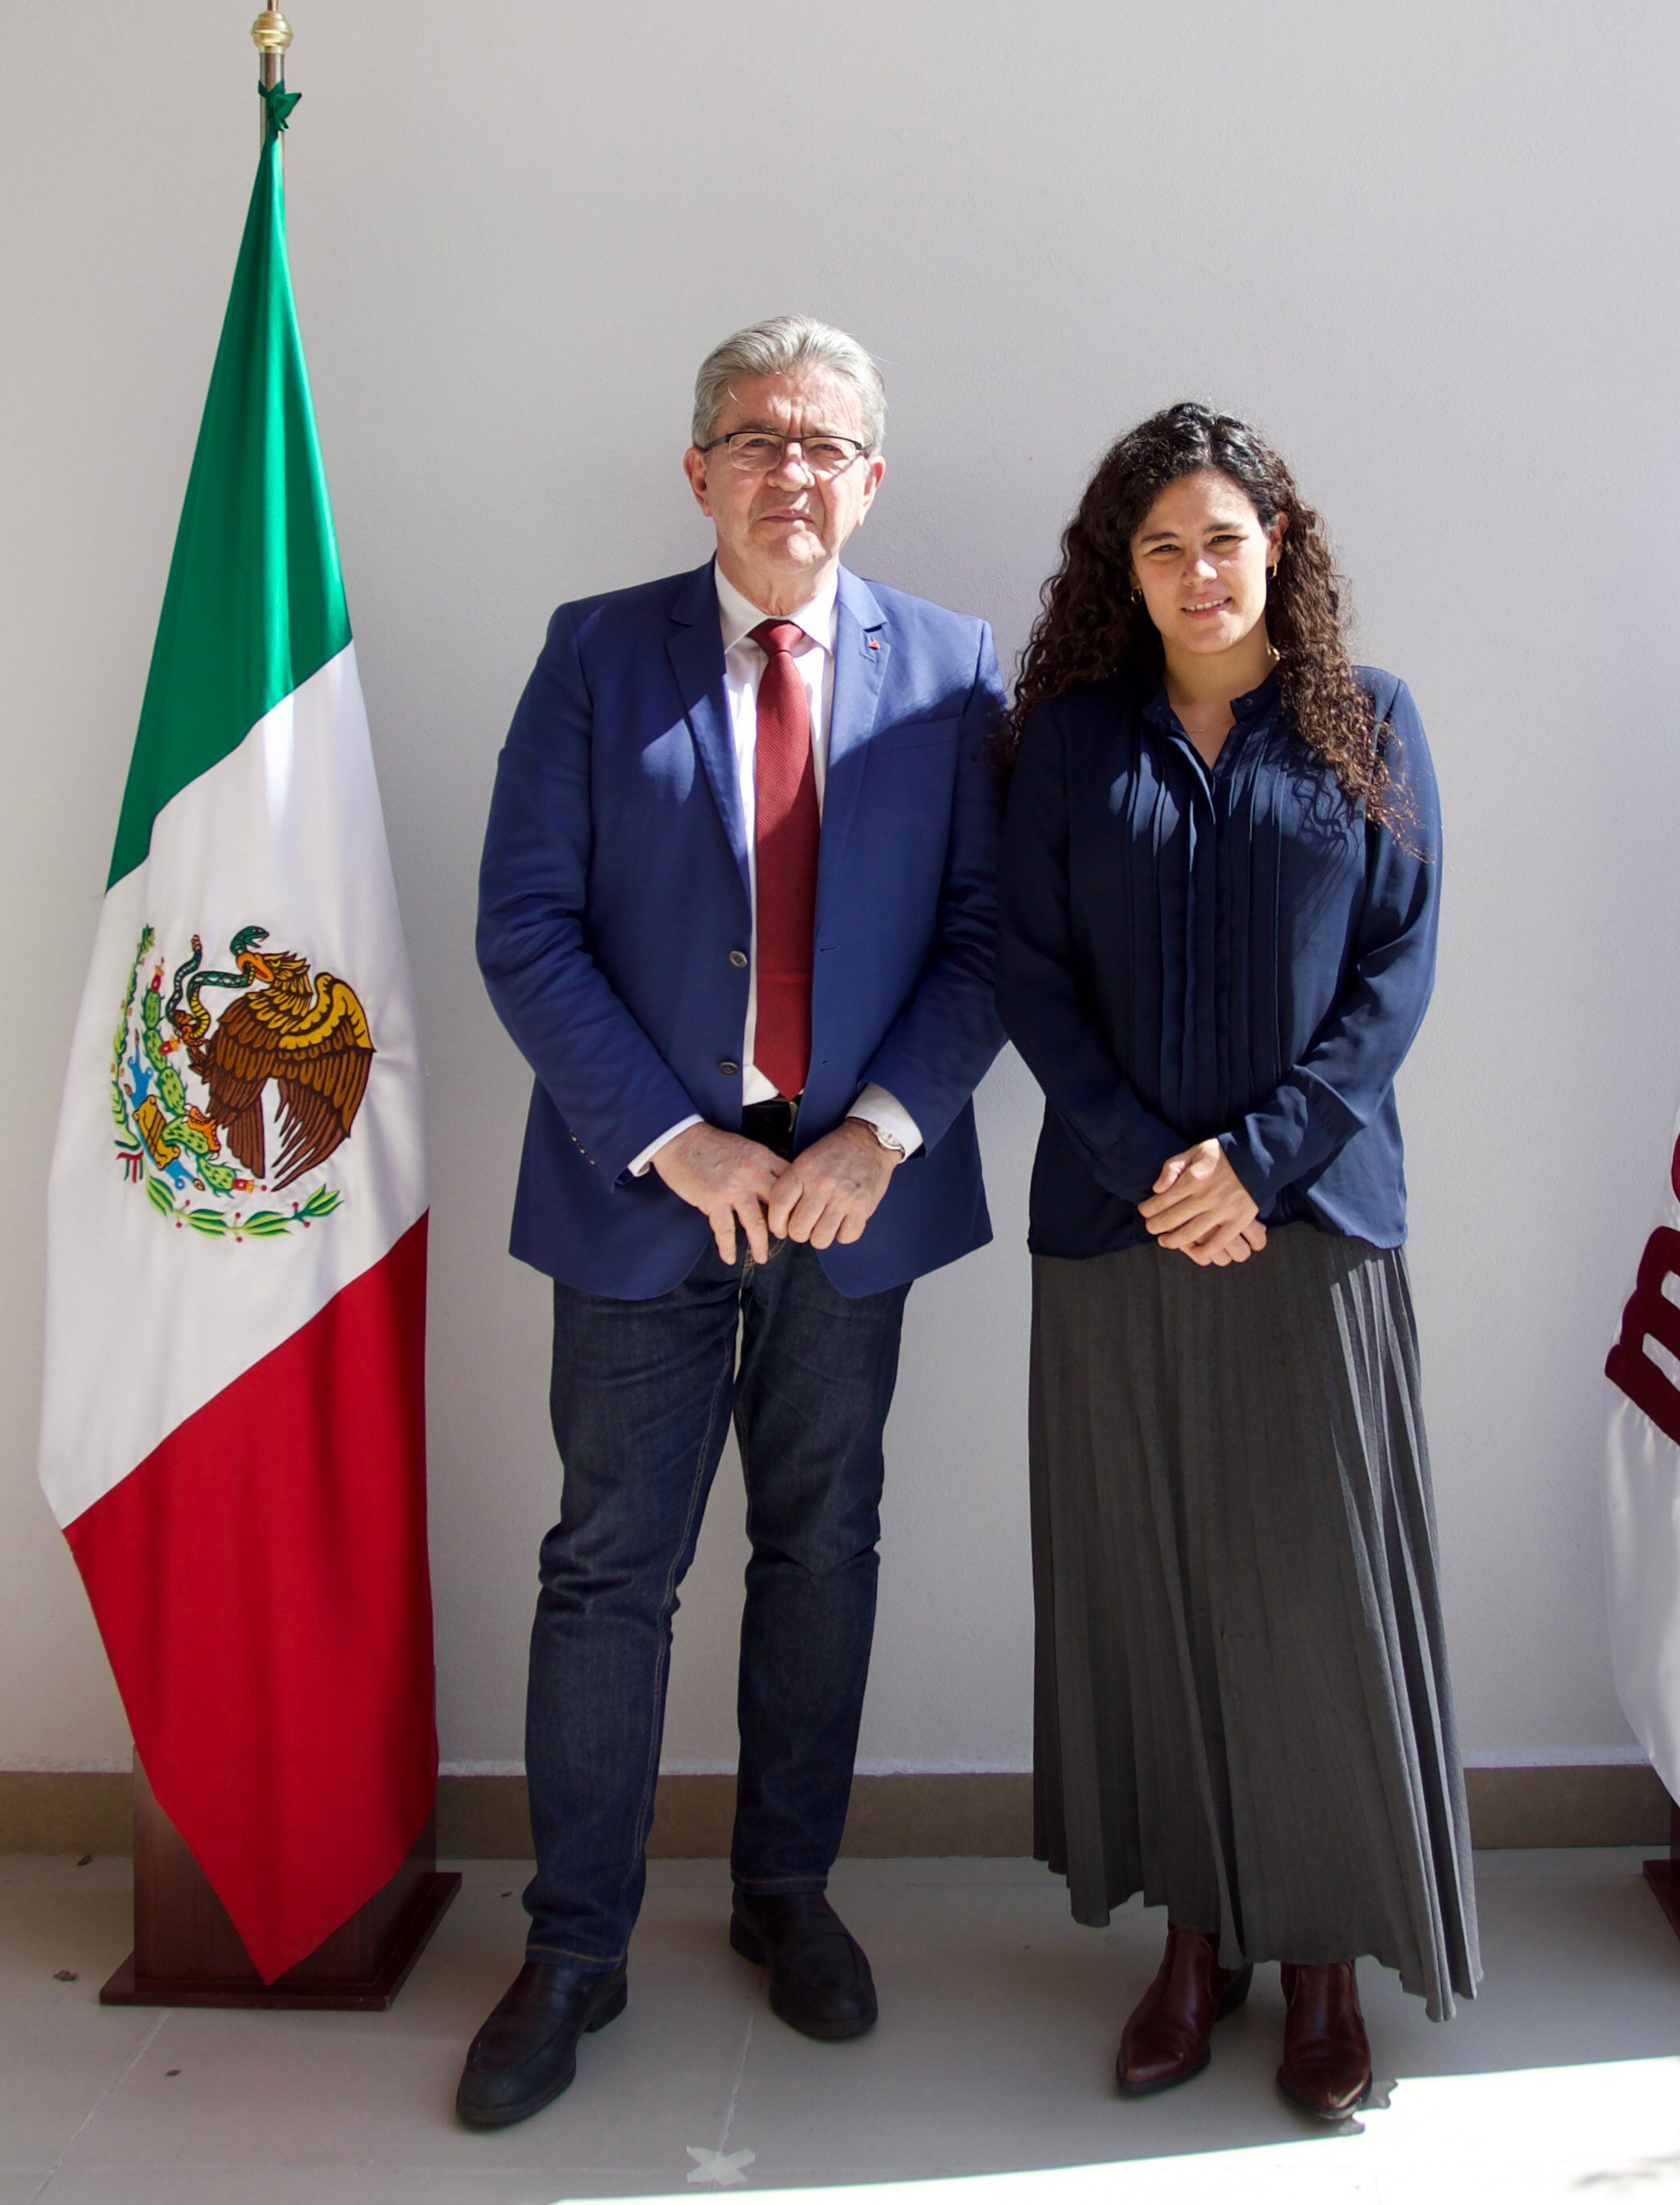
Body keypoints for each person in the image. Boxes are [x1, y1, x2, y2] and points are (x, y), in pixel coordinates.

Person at [465, 315, 1007, 2129]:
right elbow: (524, 925)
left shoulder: (952, 667)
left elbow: (987, 938)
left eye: (827, 443)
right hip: (652, 1201)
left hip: (852, 1197)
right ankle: (572, 1946)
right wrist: (674, 1143)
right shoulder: (592, 657)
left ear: (872, 479)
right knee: (608, 1566)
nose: (794, 472)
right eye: (758, 438)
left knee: (823, 1540)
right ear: (695, 468)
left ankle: (787, 1895)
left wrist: (879, 1130)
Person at [994, 402, 1479, 2120]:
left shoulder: (1367, 725)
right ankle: (1195, 1942)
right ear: (1117, 571)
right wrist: (1151, 1166)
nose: (1198, 573)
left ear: (1279, 544)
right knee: (1156, 1591)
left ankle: (1328, 1958)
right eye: (1161, 545)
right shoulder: (1061, 743)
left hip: (1313, 1225)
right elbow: (1029, 977)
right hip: (1115, 1231)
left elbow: (1392, 983)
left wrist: (1255, 1164)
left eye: (1223, 537)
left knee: (1311, 1597)